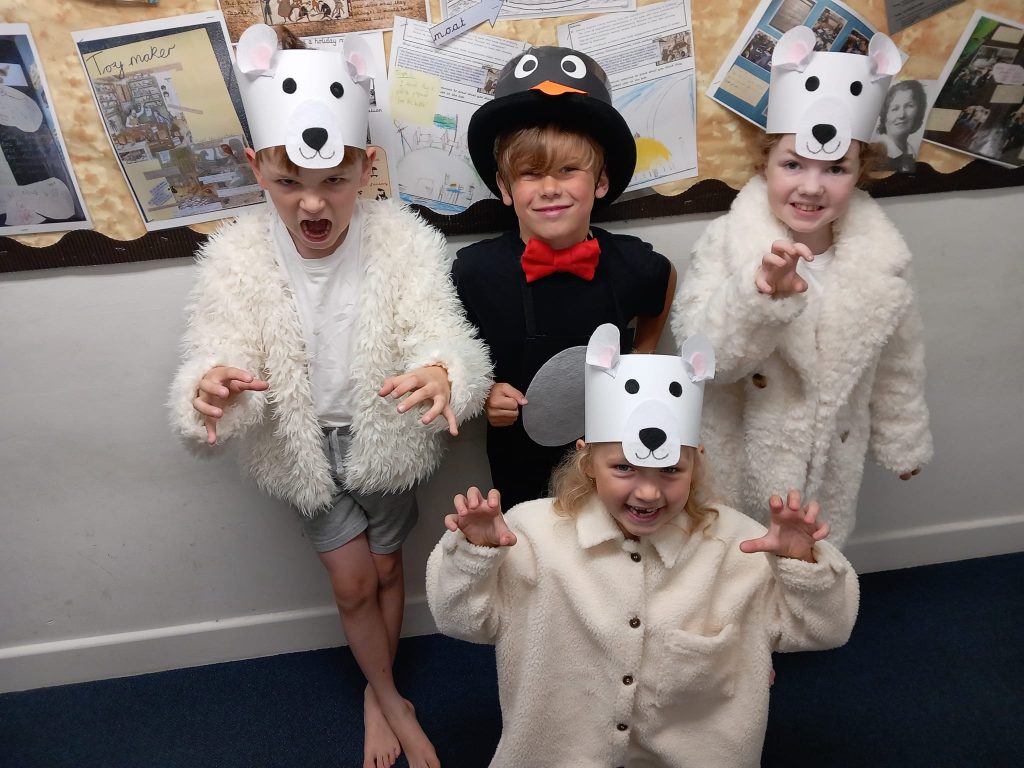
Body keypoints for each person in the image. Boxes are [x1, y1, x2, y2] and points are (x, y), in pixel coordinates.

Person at [168, 25, 491, 768]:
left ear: (366, 167)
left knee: (387, 568)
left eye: (334, 182)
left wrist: (444, 370)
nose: (312, 204)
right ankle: (392, 699)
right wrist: (210, 385)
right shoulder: (237, 257)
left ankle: (376, 692)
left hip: (386, 436)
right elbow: (216, 348)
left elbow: (441, 330)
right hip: (303, 449)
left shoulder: (405, 241)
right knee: (352, 586)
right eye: (288, 184)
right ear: (256, 167)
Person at [426, 324, 859, 767]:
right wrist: (474, 556)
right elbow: (460, 620)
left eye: (670, 470)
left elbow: (825, 630)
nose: (648, 493)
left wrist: (800, 564)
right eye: (624, 468)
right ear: (588, 460)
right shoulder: (530, 535)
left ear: (695, 463)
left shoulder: (738, 546)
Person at [672, 27, 932, 549]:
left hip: (827, 465)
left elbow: (897, 362)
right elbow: (704, 361)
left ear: (859, 172)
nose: (811, 187)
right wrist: (760, 296)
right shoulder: (727, 242)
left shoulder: (882, 259)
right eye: (792, 164)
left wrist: (902, 439)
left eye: (835, 168)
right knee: (732, 568)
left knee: (809, 565)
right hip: (739, 456)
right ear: (765, 164)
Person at [454, 46, 676, 509]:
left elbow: (666, 277)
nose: (551, 188)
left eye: (568, 170)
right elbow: (452, 352)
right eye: (530, 174)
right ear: (504, 188)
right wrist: (483, 395)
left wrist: (645, 351)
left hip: (613, 458)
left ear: (600, 182)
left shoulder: (628, 262)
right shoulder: (474, 272)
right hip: (520, 466)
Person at [877, 80, 927, 173]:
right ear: (885, 116)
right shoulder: (876, 154)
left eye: (909, 106)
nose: (901, 115)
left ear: (918, 113)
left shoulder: (914, 155)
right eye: (895, 109)